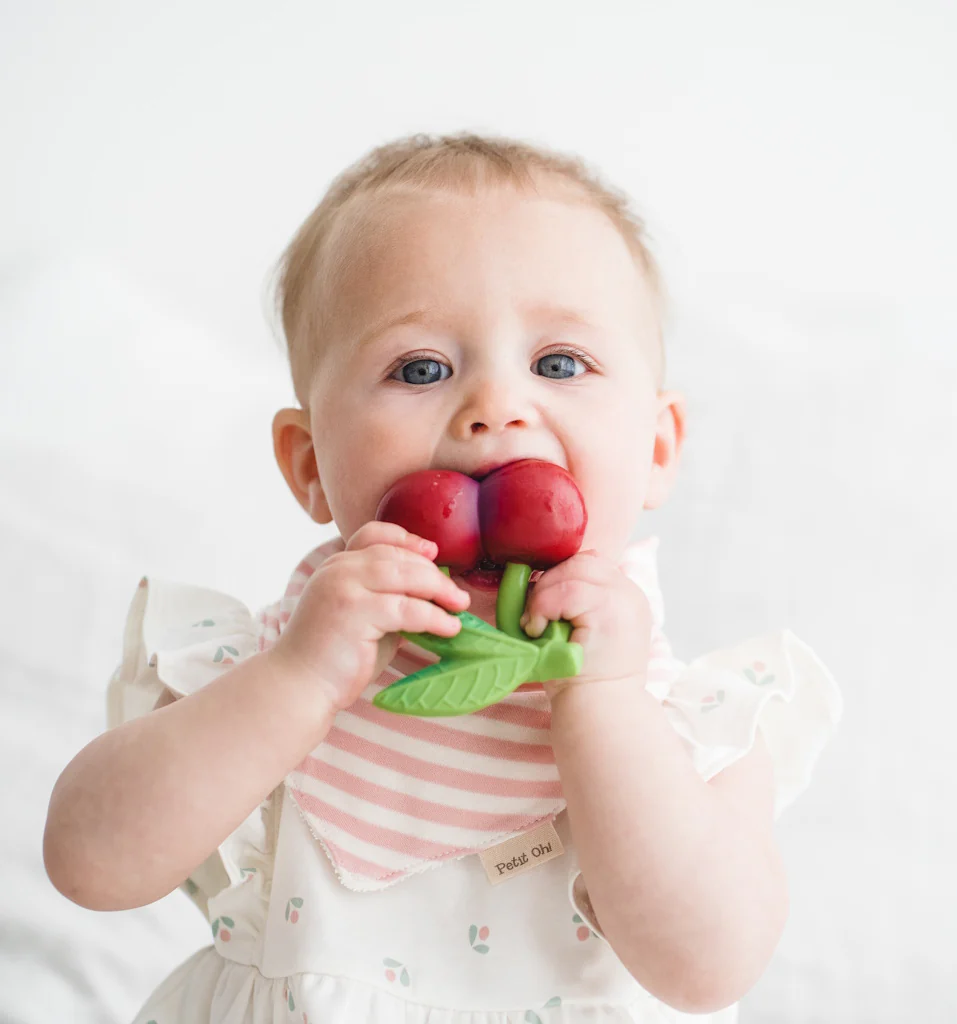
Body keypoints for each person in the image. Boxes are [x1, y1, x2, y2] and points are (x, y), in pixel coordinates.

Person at [43, 133, 842, 1023]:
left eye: (559, 363)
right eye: (421, 369)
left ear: (655, 450)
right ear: (309, 464)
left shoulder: (693, 721)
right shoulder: (265, 665)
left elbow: (709, 967)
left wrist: (601, 700)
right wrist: (300, 679)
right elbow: (89, 866)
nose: (495, 408)